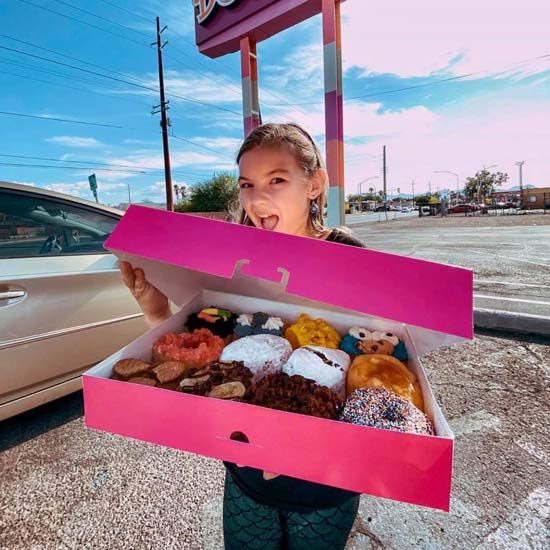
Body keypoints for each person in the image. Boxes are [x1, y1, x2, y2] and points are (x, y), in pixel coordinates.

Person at [120, 123, 365, 549]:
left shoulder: (350, 256)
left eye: (277, 180)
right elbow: (209, 364)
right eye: (247, 184)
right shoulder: (236, 263)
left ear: (315, 185)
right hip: (248, 478)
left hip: (325, 486)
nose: (256, 197)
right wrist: (158, 312)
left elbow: (386, 356)